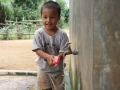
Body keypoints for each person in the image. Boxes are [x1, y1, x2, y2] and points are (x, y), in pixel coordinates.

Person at [32, 1, 69, 90]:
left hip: (58, 71)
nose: (48, 20)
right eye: (45, 17)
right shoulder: (38, 34)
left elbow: (63, 51)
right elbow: (37, 49)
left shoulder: (63, 35)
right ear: (41, 17)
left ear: (58, 18)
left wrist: (56, 59)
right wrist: (47, 56)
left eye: (52, 17)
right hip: (43, 69)